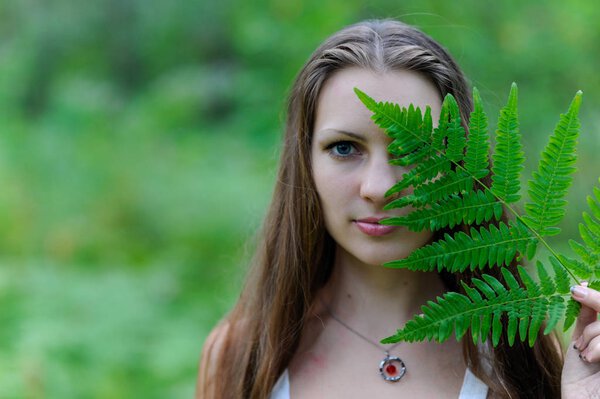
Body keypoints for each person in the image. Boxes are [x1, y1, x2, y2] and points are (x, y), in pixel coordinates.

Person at [197, 19, 600, 398]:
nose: (379, 187)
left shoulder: (521, 350)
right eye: (344, 148)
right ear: (305, 163)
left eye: (413, 152)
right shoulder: (242, 353)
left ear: (460, 166)